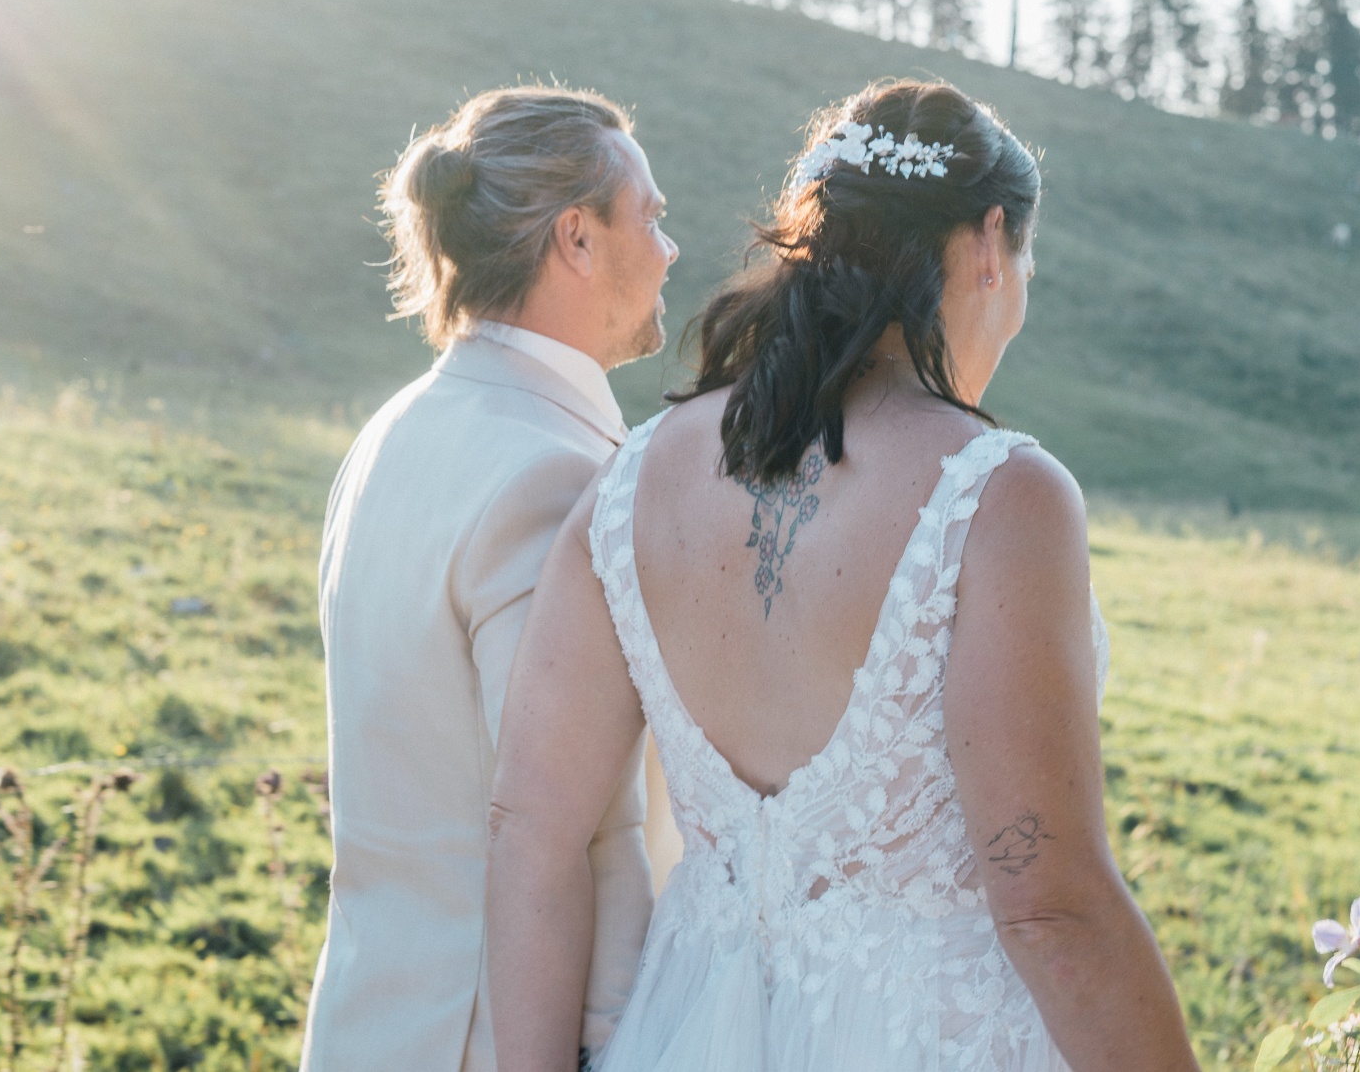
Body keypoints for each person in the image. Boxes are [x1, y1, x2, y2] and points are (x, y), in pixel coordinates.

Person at [487, 79, 1199, 1069]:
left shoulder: (633, 480)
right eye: (1023, 266)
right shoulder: (999, 495)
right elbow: (1050, 907)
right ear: (989, 243)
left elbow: (530, 830)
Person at [302, 85, 679, 1072]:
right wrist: (614, 1043)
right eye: (650, 217)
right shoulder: (549, 474)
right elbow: (572, 832)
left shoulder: (390, 432)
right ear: (576, 239)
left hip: (369, 1024)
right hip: (495, 1036)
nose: (669, 249)